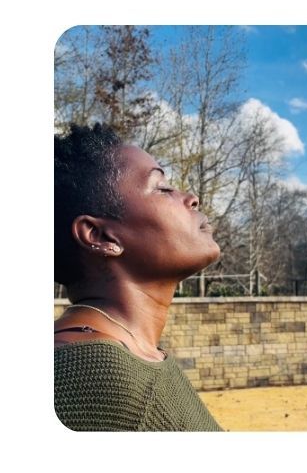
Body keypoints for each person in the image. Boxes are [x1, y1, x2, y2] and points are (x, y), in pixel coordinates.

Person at [53, 124, 223, 431]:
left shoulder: (143, 355)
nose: (192, 198)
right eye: (161, 188)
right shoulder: (86, 375)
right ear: (100, 235)